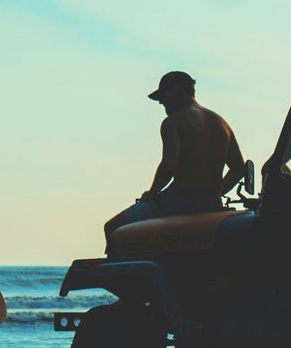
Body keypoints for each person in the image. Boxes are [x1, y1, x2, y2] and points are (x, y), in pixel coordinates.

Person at [105, 71, 246, 237]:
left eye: (163, 96)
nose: (161, 102)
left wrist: (151, 193)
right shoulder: (221, 123)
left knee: (113, 227)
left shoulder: (173, 122)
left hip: (178, 200)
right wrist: (215, 194)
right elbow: (239, 168)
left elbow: (169, 166)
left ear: (178, 91)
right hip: (213, 203)